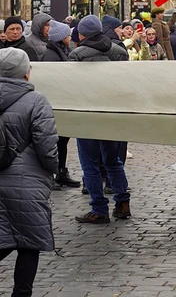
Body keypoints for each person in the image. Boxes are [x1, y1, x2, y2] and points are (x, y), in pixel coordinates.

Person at [0, 48, 59, 296]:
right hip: (28, 180)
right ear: (25, 72)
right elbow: (47, 145)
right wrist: (53, 170)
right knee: (28, 243)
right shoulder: (36, 101)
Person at [68, 15, 131, 223]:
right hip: (112, 114)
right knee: (113, 161)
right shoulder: (119, 51)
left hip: (87, 115)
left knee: (90, 164)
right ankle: (123, 203)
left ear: (81, 34)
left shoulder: (77, 55)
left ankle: (99, 209)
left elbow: (72, 86)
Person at [41, 20, 81, 189]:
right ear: (61, 37)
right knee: (55, 142)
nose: (70, 38)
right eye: (68, 35)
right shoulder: (52, 55)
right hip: (55, 103)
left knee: (62, 140)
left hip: (62, 101)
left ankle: (61, 172)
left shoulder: (62, 51)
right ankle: (53, 174)